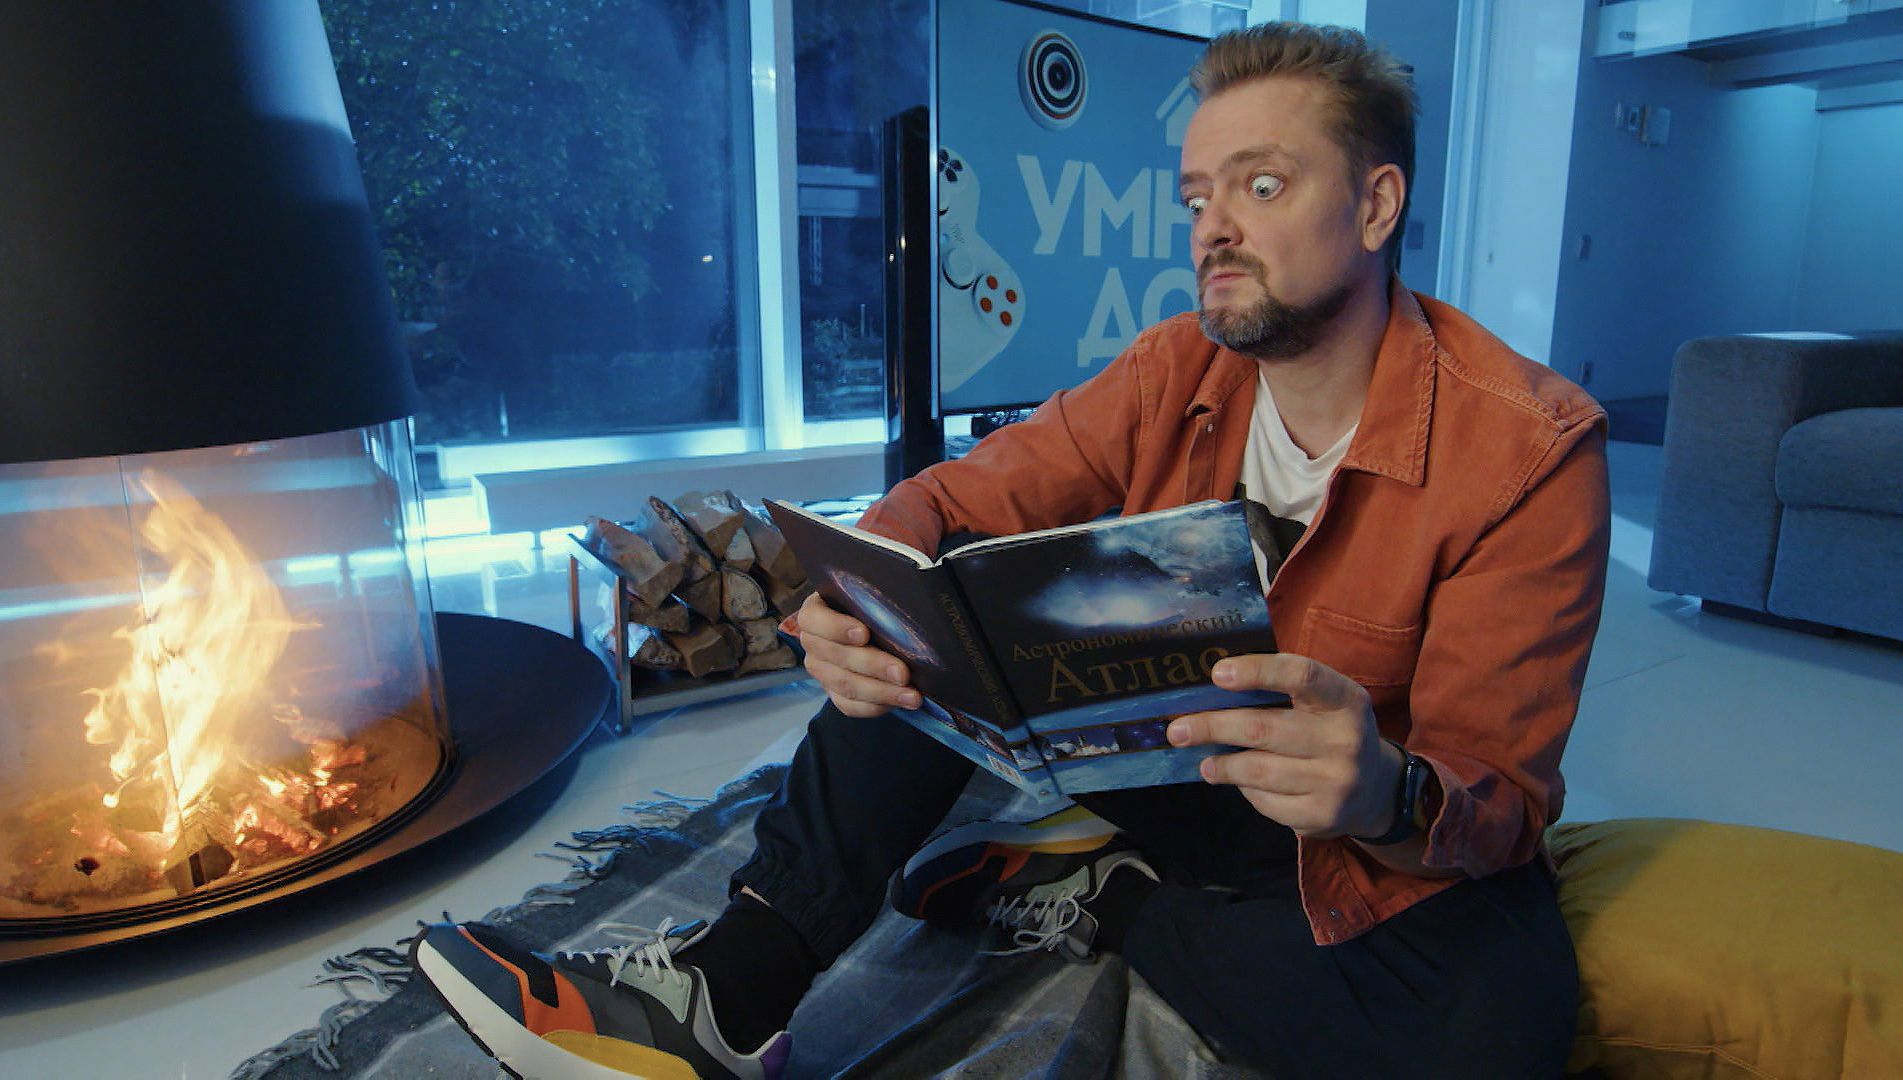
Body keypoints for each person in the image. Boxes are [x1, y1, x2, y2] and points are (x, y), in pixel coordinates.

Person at [411, 21, 1609, 1079]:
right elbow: (950, 500)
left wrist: (1386, 792)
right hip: (1154, 758)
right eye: (1197, 197)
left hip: (1332, 828)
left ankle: (1106, 894)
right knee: (923, 605)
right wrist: (856, 597)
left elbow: (1499, 798)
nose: (1215, 229)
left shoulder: (1532, 451)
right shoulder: (1170, 368)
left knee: (1500, 1027)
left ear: (1377, 206)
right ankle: (728, 994)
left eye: (1262, 184)